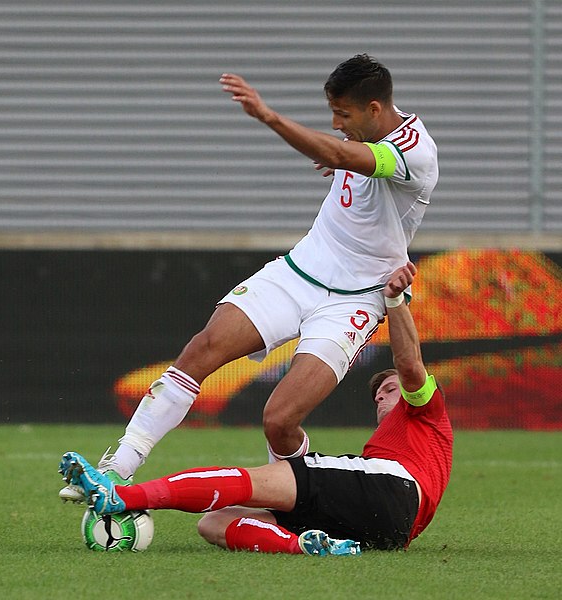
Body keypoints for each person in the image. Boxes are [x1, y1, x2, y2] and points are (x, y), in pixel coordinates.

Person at [60, 53, 439, 502]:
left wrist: (269, 116)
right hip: (299, 272)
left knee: (279, 420)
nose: (336, 123)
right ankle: (117, 467)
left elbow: (344, 152)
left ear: (374, 109)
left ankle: (294, 496)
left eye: (343, 114)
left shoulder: (415, 151)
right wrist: (341, 159)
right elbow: (347, 157)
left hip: (355, 300)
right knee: (203, 348)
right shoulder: (368, 140)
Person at [59, 262, 453, 555]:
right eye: (378, 394)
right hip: (388, 531)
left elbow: (409, 365)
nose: (382, 397)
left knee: (248, 479)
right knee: (214, 524)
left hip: (395, 489)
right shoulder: (392, 446)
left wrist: (395, 300)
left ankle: (121, 497)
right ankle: (307, 545)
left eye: (388, 390)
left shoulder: (427, 410)